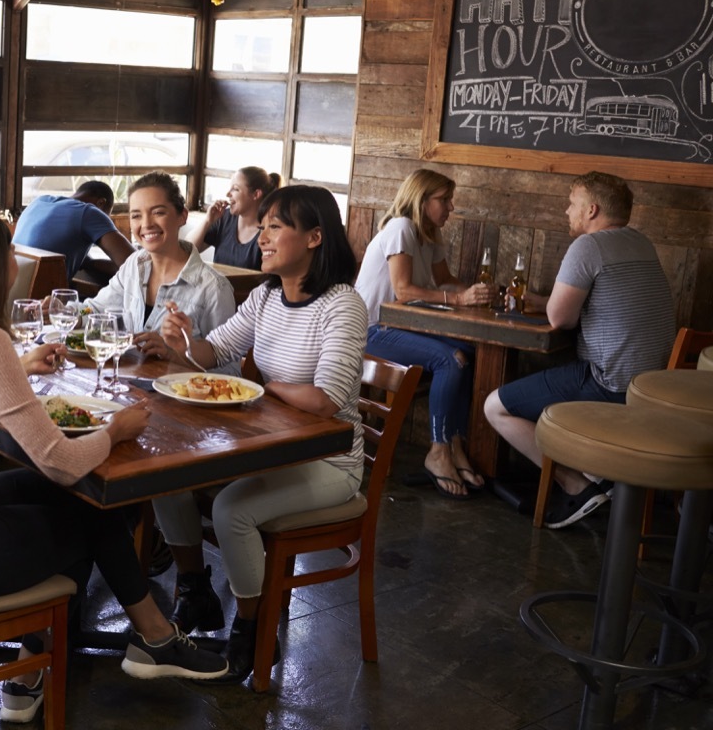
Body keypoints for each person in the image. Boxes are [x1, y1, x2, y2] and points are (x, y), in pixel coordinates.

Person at [0, 211, 229, 723]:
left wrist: (14, 372)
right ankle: (139, 642)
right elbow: (61, 462)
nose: (14, 263)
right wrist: (115, 431)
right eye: (7, 253)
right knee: (88, 508)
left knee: (82, 504)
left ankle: (50, 667)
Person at [153, 185, 367, 683]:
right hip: (270, 448)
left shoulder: (343, 304)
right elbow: (213, 352)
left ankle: (252, 634)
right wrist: (183, 338)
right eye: (264, 225)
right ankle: (196, 592)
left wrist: (261, 386)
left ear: (315, 238)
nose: (262, 238)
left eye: (275, 226)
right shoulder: (267, 297)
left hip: (329, 463)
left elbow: (326, 399)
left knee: (233, 509)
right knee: (166, 477)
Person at [484, 171, 674, 529]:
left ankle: (578, 487)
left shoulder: (588, 247)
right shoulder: (640, 243)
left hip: (610, 386)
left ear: (591, 210)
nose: (565, 211)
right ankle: (602, 479)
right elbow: (574, 303)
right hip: (651, 391)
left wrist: (547, 306)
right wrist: (533, 301)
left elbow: (560, 318)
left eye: (571, 203)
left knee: (495, 407)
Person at [354, 169, 496, 499]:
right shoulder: (401, 227)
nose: (450, 207)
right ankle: (438, 450)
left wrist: (482, 294)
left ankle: (454, 443)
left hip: (401, 327)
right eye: (444, 200)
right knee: (451, 360)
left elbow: (445, 279)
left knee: (469, 352)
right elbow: (403, 290)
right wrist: (459, 299)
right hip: (372, 330)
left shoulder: (428, 233)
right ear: (421, 199)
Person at [85, 171, 236, 360]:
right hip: (126, 383)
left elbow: (230, 371)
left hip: (173, 389)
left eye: (158, 212)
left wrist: (175, 354)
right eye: (136, 216)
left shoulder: (214, 288)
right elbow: (96, 311)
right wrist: (61, 310)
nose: (146, 224)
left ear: (182, 216)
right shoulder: (135, 264)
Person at [11, 180, 135, 284]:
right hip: (43, 300)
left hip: (10, 292)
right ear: (101, 203)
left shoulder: (39, 202)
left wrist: (89, 263)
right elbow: (135, 264)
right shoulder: (89, 212)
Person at [186, 166, 281, 269]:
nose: (228, 194)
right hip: (218, 285)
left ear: (256, 194)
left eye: (235, 189)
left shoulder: (272, 229)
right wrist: (207, 221)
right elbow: (186, 250)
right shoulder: (224, 218)